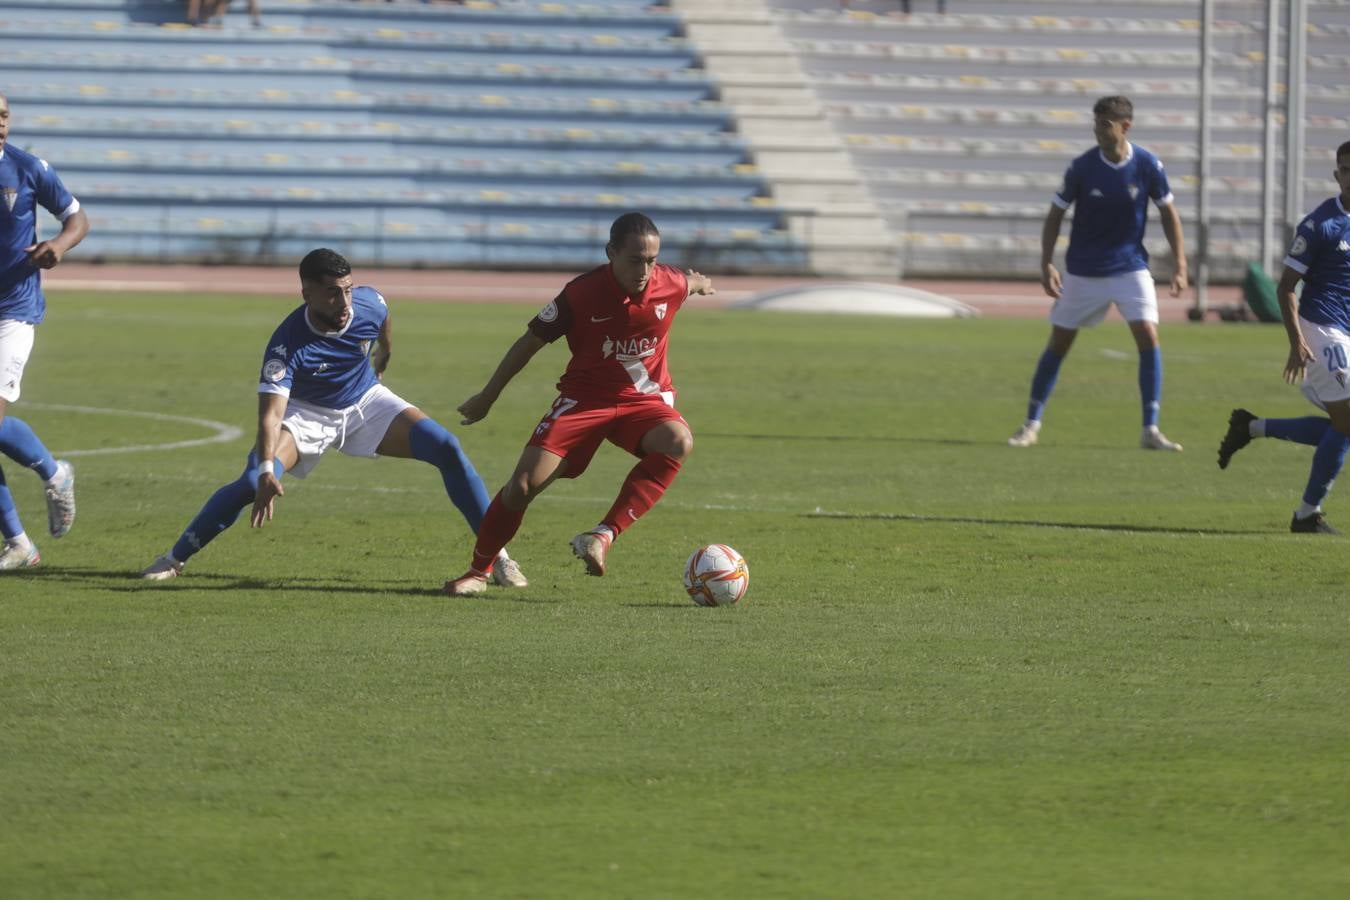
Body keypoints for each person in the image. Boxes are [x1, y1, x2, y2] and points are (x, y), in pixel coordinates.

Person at [140, 248, 527, 584]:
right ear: (306, 294)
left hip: (365, 402)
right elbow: (271, 418)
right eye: (332, 294)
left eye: (347, 290)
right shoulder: (286, 345)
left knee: (447, 447)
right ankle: (174, 559)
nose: (344, 303)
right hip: (307, 415)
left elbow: (383, 315)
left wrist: (384, 352)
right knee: (249, 482)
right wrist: (267, 472)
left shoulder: (368, 303)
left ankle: (499, 560)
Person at [442, 212, 715, 596]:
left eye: (652, 260)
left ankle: (602, 536)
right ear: (610, 253)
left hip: (642, 402)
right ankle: (478, 572)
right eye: (635, 259)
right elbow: (529, 343)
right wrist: (488, 397)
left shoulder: (667, 283)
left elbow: (688, 282)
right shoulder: (581, 294)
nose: (645, 270)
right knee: (521, 486)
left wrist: (700, 282)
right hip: (584, 402)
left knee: (678, 442)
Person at [1007, 95, 1189, 451]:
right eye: (1096, 123)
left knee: (1148, 337)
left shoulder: (1149, 165)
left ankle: (1150, 430)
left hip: (1130, 267)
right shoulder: (1082, 167)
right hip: (1084, 270)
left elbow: (1169, 213)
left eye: (1105, 124)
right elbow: (1055, 213)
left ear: (1125, 127)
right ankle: (1030, 423)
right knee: (1059, 343)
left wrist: (1180, 264)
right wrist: (1047, 261)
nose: (1098, 130)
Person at [1217, 140, 1350, 533]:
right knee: (1346, 423)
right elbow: (1286, 287)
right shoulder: (1320, 224)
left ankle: (1251, 427)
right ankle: (1307, 514)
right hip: (1321, 329)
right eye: (1345, 169)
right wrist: (1297, 341)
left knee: (1341, 427)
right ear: (1336, 175)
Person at [0, 92, 87, 571]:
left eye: (5, 115)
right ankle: (20, 544)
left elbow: (78, 218)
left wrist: (59, 243)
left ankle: (54, 475)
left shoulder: (28, 168)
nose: (1, 124)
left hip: (13, 313)